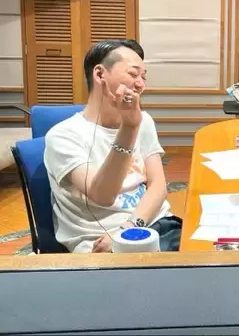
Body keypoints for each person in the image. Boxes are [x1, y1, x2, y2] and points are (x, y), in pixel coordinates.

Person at [44, 39, 182, 253]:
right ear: (100, 75)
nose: (140, 84)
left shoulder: (143, 121)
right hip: (101, 243)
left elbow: (158, 185)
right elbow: (102, 195)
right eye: (133, 74)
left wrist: (129, 227)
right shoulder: (63, 136)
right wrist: (129, 128)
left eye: (144, 77)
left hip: (154, 224)